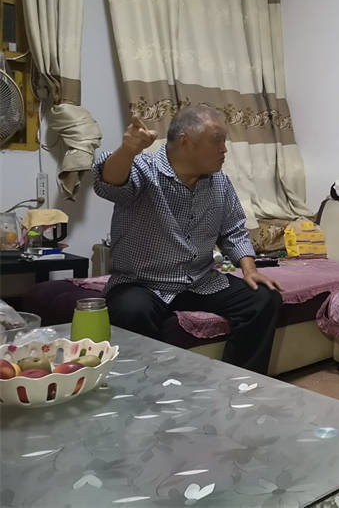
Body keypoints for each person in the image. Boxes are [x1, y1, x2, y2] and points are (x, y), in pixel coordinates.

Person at [93, 105, 282, 374]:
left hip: (200, 281)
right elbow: (109, 184)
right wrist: (127, 150)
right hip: (143, 283)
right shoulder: (145, 169)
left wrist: (249, 270)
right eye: (216, 140)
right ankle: (149, 387)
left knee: (264, 299)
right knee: (131, 310)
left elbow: (233, 230)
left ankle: (238, 382)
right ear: (185, 141)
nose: (224, 150)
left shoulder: (219, 182)